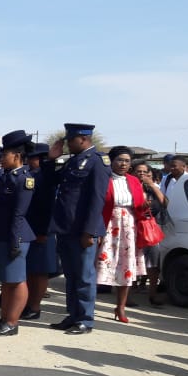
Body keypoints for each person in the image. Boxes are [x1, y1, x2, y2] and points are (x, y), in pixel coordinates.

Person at [48, 123, 111, 335]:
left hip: (83, 231)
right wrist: (52, 159)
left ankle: (85, 319)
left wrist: (90, 231)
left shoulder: (97, 162)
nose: (67, 144)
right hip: (66, 228)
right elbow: (52, 181)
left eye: (70, 140)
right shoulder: (73, 161)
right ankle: (73, 315)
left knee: (84, 276)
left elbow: (97, 199)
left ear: (83, 139)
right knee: (71, 275)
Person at [0, 131, 35, 336]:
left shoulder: (24, 180)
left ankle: (12, 323)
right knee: (6, 280)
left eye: (5, 155)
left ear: (17, 156)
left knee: (16, 280)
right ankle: (3, 318)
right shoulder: (5, 176)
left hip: (16, 236)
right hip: (2, 234)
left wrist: (14, 242)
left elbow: (19, 214)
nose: (2, 158)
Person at [95, 146, 149, 323]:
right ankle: (87, 306)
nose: (123, 164)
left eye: (127, 161)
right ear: (111, 161)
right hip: (108, 224)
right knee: (99, 265)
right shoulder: (104, 178)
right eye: (119, 160)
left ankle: (121, 307)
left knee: (126, 268)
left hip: (129, 227)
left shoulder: (134, 181)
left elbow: (141, 205)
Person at [23, 142, 59, 320]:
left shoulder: (45, 176)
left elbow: (47, 206)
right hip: (30, 227)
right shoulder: (31, 174)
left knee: (40, 271)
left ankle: (35, 306)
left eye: (33, 157)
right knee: (31, 270)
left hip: (42, 229)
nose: (30, 160)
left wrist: (43, 231)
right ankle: (29, 303)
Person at [132, 160, 165, 305]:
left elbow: (164, 203)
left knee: (154, 261)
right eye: (139, 171)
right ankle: (127, 296)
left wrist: (152, 185)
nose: (142, 174)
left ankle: (153, 294)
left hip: (149, 229)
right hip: (131, 228)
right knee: (130, 261)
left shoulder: (150, 188)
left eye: (145, 172)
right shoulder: (128, 187)